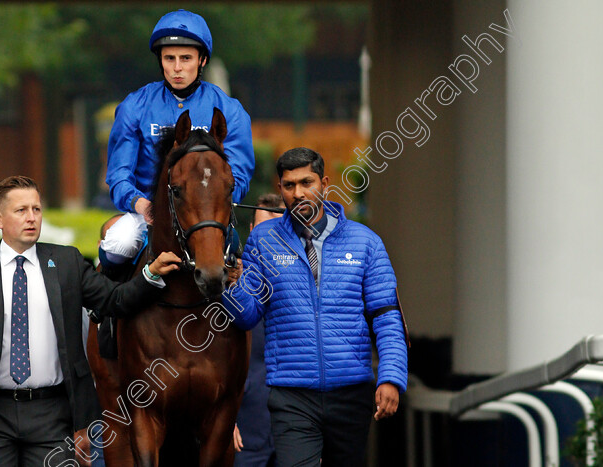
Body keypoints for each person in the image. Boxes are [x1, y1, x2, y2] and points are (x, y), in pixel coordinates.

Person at [0, 176, 181, 466]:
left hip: (52, 414)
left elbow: (115, 300)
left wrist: (150, 274)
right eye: (21, 210)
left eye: (36, 209)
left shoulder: (67, 263)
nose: (31, 218)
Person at [222, 148, 409, 467]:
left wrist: (391, 377)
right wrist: (226, 284)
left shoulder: (365, 242)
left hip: (351, 391)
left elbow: (387, 317)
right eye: (289, 185)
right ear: (280, 189)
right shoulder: (264, 240)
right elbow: (247, 315)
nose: (298, 193)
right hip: (291, 394)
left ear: (323, 183)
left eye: (306, 182)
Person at [100, 9, 255, 272]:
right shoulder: (133, 106)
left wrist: (210, 206)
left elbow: (238, 174)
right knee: (118, 244)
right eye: (169, 58)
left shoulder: (230, 110)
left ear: (202, 60)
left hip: (206, 216)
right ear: (160, 60)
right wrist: (140, 204)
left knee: (236, 259)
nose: (177, 68)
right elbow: (118, 174)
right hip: (147, 212)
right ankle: (105, 309)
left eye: (186, 58)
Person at [233, 194, 284, 467]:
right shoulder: (229, 283)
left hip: (293, 434)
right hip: (244, 432)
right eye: (265, 229)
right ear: (252, 230)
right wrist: (224, 420)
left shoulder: (311, 282)